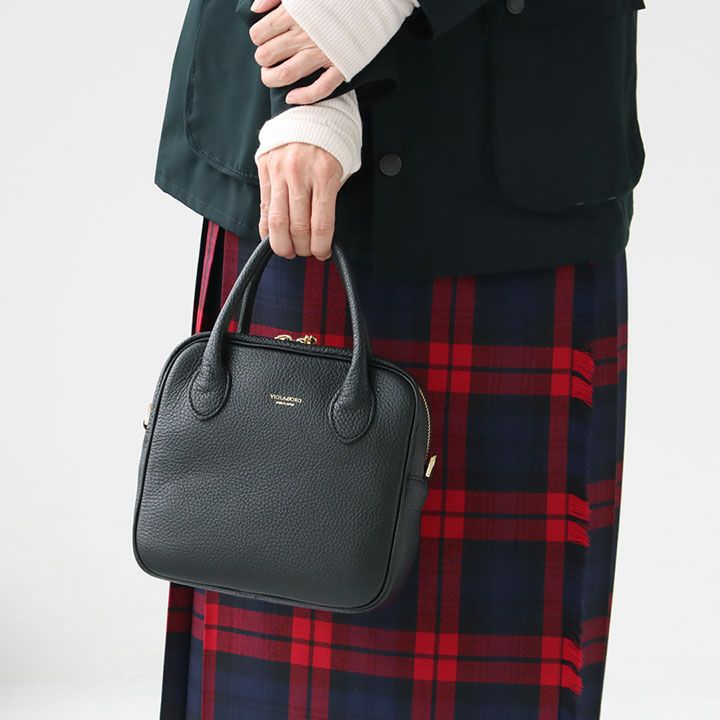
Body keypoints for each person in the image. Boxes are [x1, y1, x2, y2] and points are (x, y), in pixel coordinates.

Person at [153, 0, 644, 717]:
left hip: (514, 143)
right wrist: (307, 98)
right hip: (292, 136)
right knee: (269, 615)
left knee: (501, 664)